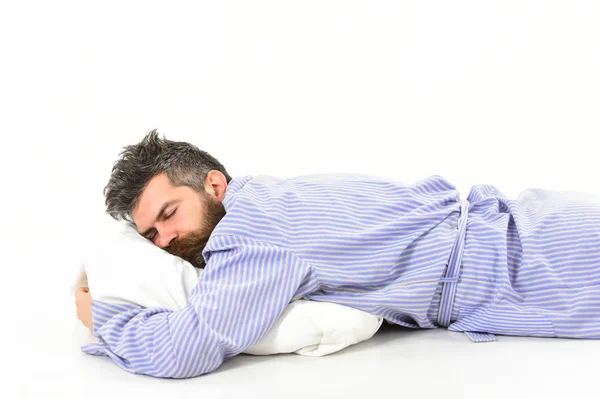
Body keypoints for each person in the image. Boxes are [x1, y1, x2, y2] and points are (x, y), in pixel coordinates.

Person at [75, 129, 600, 378]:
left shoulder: (250, 234)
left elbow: (186, 347)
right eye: (151, 237)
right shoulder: (269, 195)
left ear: (214, 184)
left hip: (525, 264)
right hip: (529, 224)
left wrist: (105, 319)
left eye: (169, 215)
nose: (165, 241)